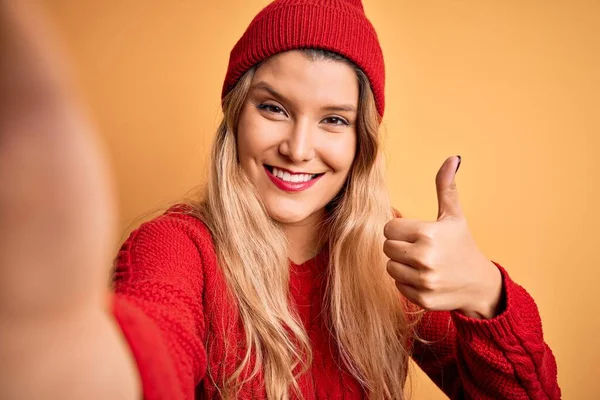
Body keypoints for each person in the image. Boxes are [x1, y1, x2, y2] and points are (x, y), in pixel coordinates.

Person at [0, 0, 560, 399]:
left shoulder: (389, 255)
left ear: (360, 140)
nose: (297, 148)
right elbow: (155, 349)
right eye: (273, 108)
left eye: (333, 120)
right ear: (235, 117)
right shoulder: (175, 247)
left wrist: (485, 293)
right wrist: (57, 351)